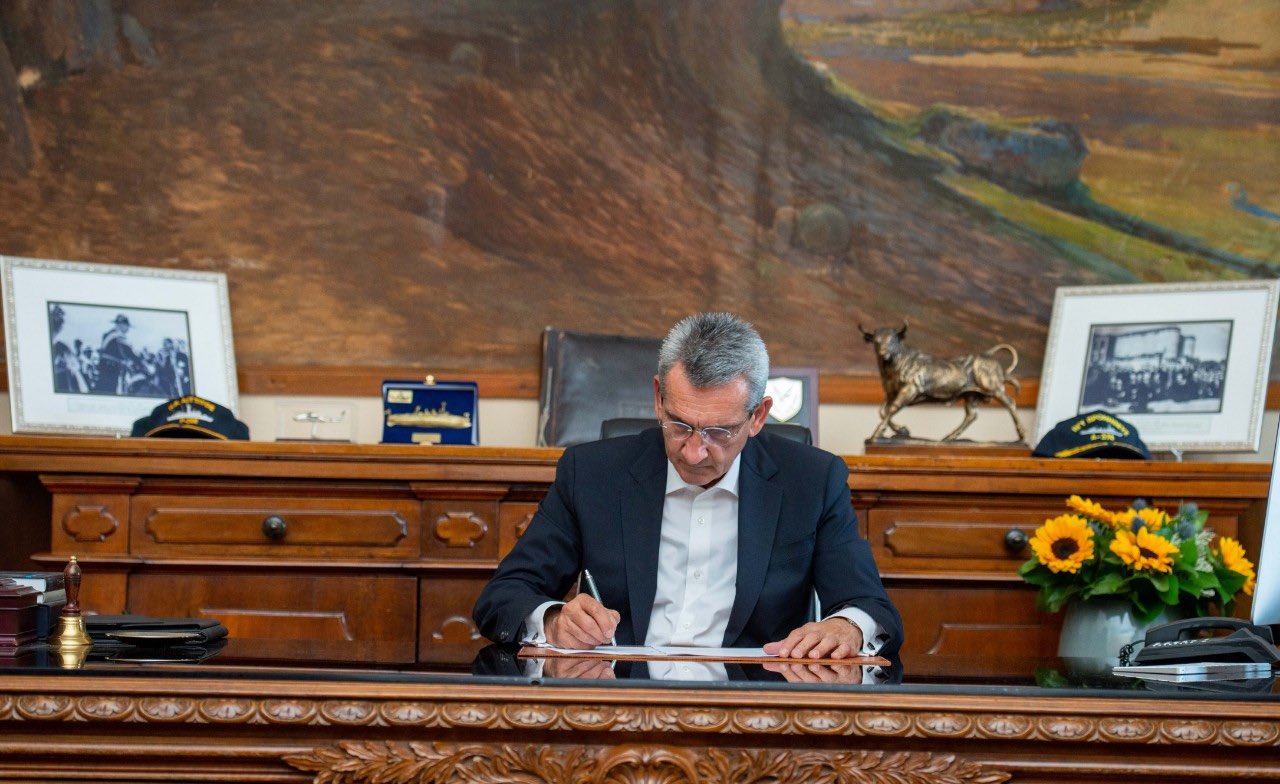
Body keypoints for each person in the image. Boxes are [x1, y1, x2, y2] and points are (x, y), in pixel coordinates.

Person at [472, 312, 902, 661]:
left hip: (756, 705)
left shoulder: (812, 481)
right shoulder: (591, 474)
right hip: (623, 701)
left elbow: (872, 608)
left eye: (719, 431)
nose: (694, 452)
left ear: (758, 416)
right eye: (679, 425)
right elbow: (502, 597)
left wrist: (846, 626)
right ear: (658, 398)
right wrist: (552, 621)